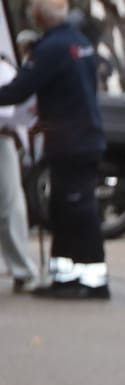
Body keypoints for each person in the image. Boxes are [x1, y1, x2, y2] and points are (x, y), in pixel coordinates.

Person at [0, 0, 108, 300]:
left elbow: (17, 91)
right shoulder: (78, 42)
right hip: (82, 137)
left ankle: (92, 280)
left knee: (78, 210)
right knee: (65, 209)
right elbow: (74, 88)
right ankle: (66, 278)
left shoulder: (50, 49)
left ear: (38, 16)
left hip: (70, 142)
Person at [0, 27, 39, 293]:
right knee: (10, 206)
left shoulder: (5, 68)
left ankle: (21, 269)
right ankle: (21, 269)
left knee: (10, 207)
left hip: (3, 138)